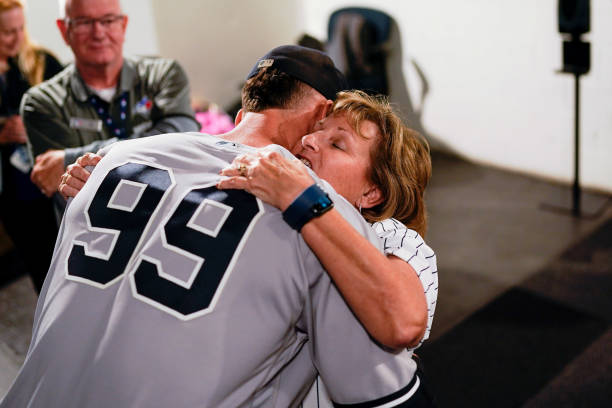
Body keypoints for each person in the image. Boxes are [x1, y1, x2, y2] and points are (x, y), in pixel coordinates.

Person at [1, 45, 431, 407]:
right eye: (326, 130)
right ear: (319, 111)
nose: (314, 143)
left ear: (246, 107)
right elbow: (394, 377)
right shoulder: (311, 213)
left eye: (338, 142)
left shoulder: (116, 158)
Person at [21, 0, 199, 210]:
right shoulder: (42, 103)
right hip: (95, 235)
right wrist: (152, 146)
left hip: (169, 219)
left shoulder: (163, 75)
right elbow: (76, 194)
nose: (98, 33)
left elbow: (182, 142)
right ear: (64, 30)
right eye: (84, 22)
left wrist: (71, 158)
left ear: (123, 25)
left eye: (108, 20)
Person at [0, 0, 64, 292]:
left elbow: (74, 116)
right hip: (14, 193)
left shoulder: (42, 61)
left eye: (21, 28)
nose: (17, 38)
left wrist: (33, 128)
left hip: (56, 179)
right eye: (6, 32)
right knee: (41, 266)